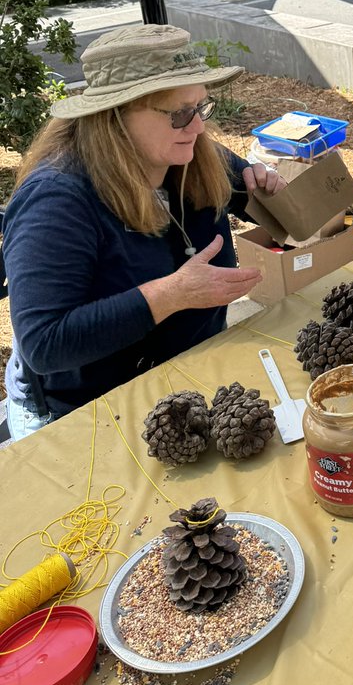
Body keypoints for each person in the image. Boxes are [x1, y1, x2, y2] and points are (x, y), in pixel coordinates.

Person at [3, 24, 286, 439]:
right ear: (115, 115)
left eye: (201, 107)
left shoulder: (188, 153)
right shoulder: (57, 201)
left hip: (184, 379)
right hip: (86, 412)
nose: (198, 128)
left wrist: (267, 189)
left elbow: (247, 191)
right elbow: (44, 344)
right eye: (180, 113)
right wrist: (171, 295)